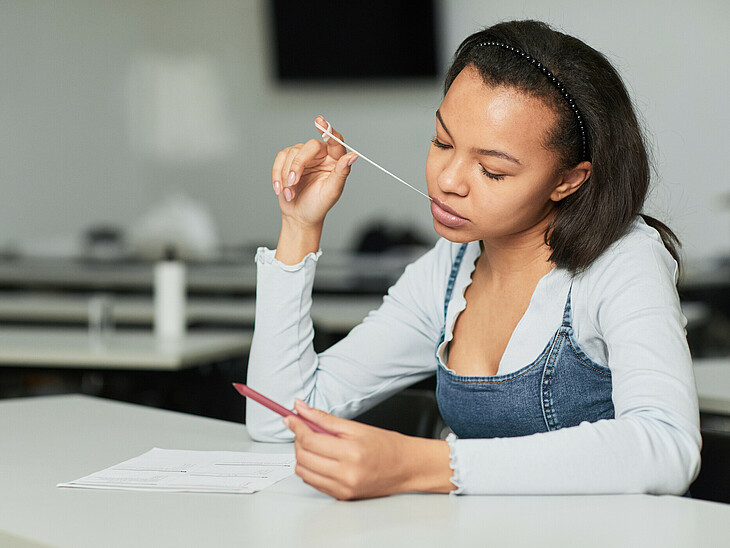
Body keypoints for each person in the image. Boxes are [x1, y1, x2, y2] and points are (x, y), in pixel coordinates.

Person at [246, 19, 700, 500]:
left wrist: (424, 465)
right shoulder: (449, 268)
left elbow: (667, 445)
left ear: (568, 180)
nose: (448, 179)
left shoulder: (623, 261)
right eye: (442, 142)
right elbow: (278, 418)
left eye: (492, 170)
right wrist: (299, 227)